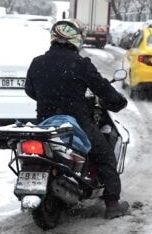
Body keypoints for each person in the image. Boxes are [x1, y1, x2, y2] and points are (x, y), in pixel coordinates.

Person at [24, 18, 131, 219]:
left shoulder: (37, 62)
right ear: (76, 40)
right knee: (105, 155)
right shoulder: (80, 64)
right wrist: (118, 102)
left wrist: (49, 97)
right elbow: (103, 89)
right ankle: (112, 204)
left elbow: (30, 90)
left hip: (46, 123)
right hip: (76, 123)